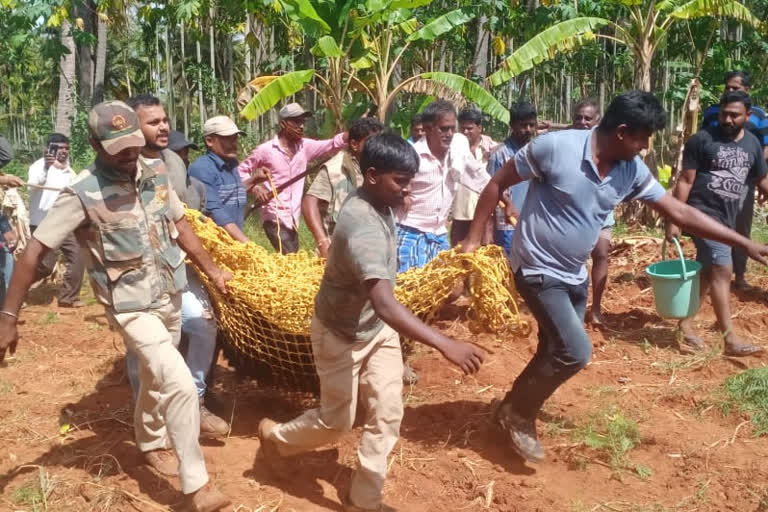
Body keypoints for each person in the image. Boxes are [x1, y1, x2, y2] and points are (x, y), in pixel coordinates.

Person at [460, 91, 768, 463]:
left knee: (554, 348)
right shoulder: (554, 148)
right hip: (537, 269)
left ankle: (510, 408)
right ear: (622, 132)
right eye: (642, 139)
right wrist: (474, 240)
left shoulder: (630, 170)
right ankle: (518, 415)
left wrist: (743, 243)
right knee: (575, 352)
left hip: (575, 273)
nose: (645, 149)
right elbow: (496, 184)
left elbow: (680, 213)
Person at [0, 101, 233, 511]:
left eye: (133, 143)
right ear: (94, 143)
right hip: (130, 307)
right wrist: (8, 316)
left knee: (153, 376)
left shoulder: (155, 170)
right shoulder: (82, 192)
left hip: (169, 294)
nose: (129, 154)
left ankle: (149, 441)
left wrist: (213, 272)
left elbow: (179, 225)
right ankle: (196, 485)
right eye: (118, 147)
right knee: (177, 381)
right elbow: (34, 252)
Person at [256, 133, 484, 512]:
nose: (407, 189)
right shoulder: (361, 223)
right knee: (336, 422)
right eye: (401, 181)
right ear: (373, 175)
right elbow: (384, 304)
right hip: (341, 333)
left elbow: (381, 312)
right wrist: (446, 343)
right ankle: (277, 438)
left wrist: (401, 198)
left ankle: (364, 499)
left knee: (388, 412)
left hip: (376, 333)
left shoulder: (379, 200)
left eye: (410, 181)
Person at [125, 94, 230, 437]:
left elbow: (179, 220)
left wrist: (212, 268)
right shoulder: (115, 168)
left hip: (174, 264)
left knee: (201, 323)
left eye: (164, 119)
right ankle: (150, 422)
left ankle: (194, 401)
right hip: (134, 278)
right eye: (153, 122)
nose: (164, 126)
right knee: (144, 352)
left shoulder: (170, 163)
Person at [668, 91, 768, 356]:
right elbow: (686, 181)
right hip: (701, 215)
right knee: (723, 268)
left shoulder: (753, 146)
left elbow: (761, 180)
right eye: (724, 113)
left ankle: (686, 325)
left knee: (707, 272)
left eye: (734, 115)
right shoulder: (702, 140)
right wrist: (674, 219)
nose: (727, 119)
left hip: (727, 219)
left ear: (748, 116)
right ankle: (730, 339)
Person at [240, 103, 348, 254]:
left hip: (293, 219)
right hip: (274, 216)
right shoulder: (265, 150)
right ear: (284, 124)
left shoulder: (305, 147)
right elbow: (240, 172)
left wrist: (351, 134)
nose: (302, 126)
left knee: (291, 257)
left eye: (303, 122)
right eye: (296, 122)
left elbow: (331, 145)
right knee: (290, 255)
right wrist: (256, 187)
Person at [395, 100, 490, 272]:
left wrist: (506, 202)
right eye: (444, 129)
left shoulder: (457, 156)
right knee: (411, 289)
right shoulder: (413, 156)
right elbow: (391, 184)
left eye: (453, 128)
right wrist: (403, 193)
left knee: (447, 290)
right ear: (428, 129)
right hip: (411, 231)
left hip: (438, 235)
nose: (450, 134)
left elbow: (480, 179)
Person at [701, 71, 768, 291]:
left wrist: (757, 173)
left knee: (741, 226)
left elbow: (764, 146)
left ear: (747, 90)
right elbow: (704, 143)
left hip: (744, 179)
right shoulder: (712, 111)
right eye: (728, 87)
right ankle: (710, 275)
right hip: (714, 178)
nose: (730, 91)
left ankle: (739, 276)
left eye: (736, 88)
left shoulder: (758, 115)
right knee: (711, 226)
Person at [303, 118, 384, 257]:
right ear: (354, 144)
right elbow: (309, 203)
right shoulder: (335, 169)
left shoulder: (381, 166)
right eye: (371, 142)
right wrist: (322, 242)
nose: (378, 147)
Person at [27, 133, 85, 307]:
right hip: (43, 223)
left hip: (64, 222)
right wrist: (46, 167)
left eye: (66, 148)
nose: (64, 151)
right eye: (59, 148)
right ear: (49, 149)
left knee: (78, 256)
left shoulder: (68, 170)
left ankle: (68, 298)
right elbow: (33, 184)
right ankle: (15, 285)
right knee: (45, 266)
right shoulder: (38, 167)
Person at [189, 115, 251, 244]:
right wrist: (247, 243)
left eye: (235, 139)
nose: (234, 143)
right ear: (209, 141)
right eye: (228, 139)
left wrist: (255, 181)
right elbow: (215, 212)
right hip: (215, 246)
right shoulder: (202, 169)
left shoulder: (232, 163)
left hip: (233, 242)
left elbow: (231, 193)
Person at [486, 102, 537, 255]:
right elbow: (491, 189)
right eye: (523, 125)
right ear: (512, 125)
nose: (528, 130)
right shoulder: (500, 154)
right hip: (508, 225)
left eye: (531, 125)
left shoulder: (538, 151)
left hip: (534, 225)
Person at [450, 108, 497, 246]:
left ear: (480, 128)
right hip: (461, 213)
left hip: (485, 215)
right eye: (462, 128)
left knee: (484, 254)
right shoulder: (454, 150)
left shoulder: (493, 149)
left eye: (469, 128)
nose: (465, 132)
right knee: (458, 256)